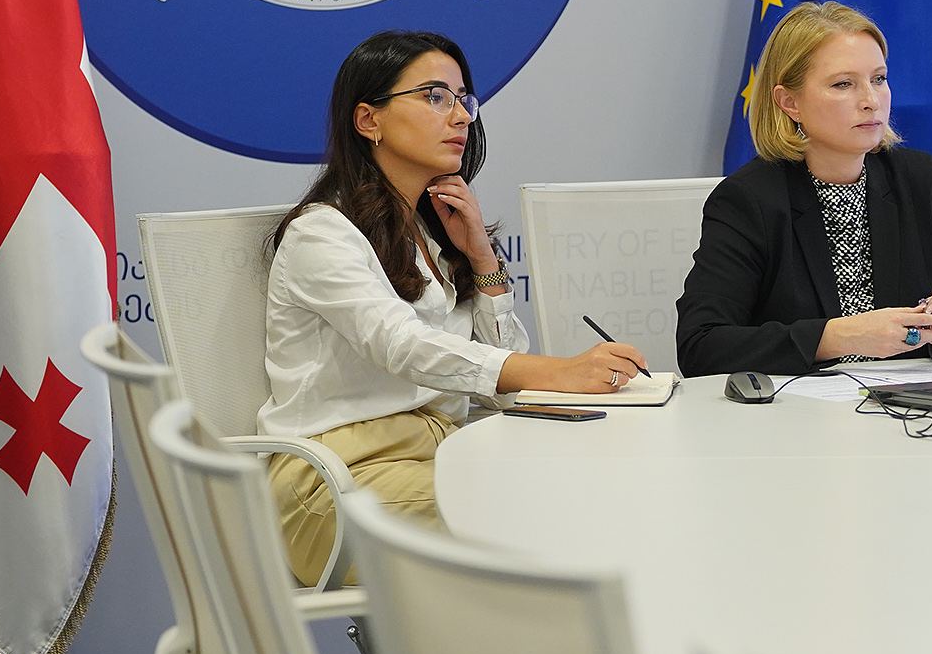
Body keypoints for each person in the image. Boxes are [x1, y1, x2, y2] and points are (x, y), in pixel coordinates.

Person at [262, 30, 645, 585]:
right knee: (548, 511)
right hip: (337, 481)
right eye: (435, 97)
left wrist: (482, 259)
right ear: (368, 120)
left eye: (464, 99)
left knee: (597, 483)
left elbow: (499, 386)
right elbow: (402, 347)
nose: (462, 116)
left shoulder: (428, 234)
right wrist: (558, 372)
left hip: (438, 455)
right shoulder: (321, 233)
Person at [676, 1, 932, 378]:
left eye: (879, 79)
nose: (871, 101)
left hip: (907, 406)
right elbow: (700, 346)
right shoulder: (749, 199)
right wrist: (839, 336)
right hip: (799, 411)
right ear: (790, 102)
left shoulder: (921, 180)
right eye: (843, 84)